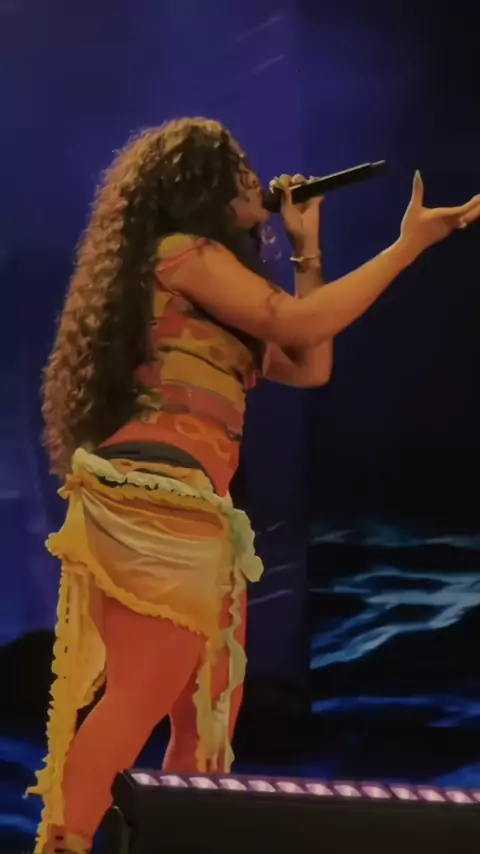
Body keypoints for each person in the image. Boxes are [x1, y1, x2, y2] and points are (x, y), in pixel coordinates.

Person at [30, 117, 480, 854]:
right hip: (159, 497)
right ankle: (64, 844)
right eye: (237, 166)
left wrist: (307, 250)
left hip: (196, 508)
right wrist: (406, 247)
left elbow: (309, 361)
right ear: (199, 186)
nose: (256, 178)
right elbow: (296, 322)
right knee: (143, 691)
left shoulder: (215, 297)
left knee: (204, 712)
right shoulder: (183, 253)